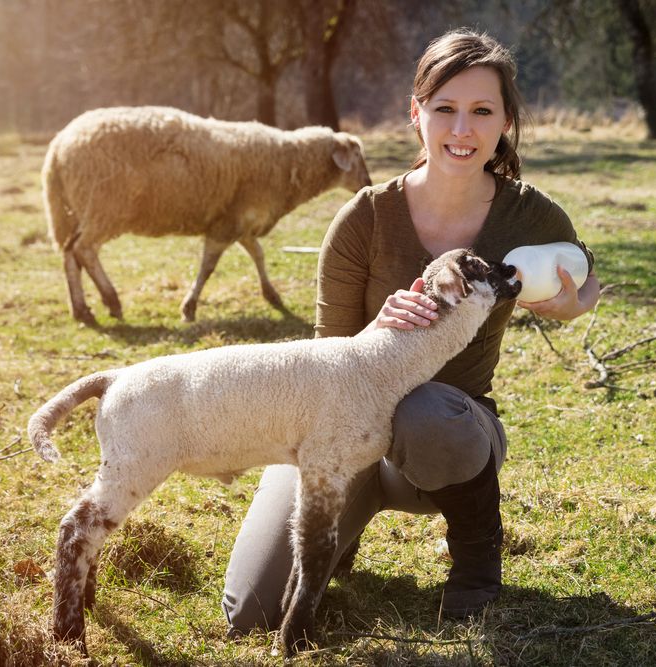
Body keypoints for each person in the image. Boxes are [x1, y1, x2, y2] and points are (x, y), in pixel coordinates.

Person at [221, 28, 600, 633]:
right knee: (253, 612)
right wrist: (377, 332)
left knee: (423, 408)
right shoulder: (364, 218)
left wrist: (574, 306)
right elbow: (323, 364)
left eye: (482, 111)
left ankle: (477, 551)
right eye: (444, 109)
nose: (461, 130)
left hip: (448, 438)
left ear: (505, 122)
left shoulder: (530, 214)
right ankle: (343, 528)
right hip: (340, 435)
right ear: (416, 114)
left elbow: (585, 275)